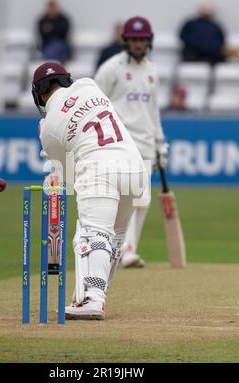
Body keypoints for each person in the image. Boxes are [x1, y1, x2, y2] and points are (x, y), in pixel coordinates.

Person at [32, 61, 149, 320]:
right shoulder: (89, 85)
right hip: (135, 168)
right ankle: (94, 293)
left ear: (39, 93)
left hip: (99, 169)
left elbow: (65, 174)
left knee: (91, 233)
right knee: (115, 238)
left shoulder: (49, 126)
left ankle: (91, 298)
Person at [95, 16, 169, 269]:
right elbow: (95, 104)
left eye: (142, 39)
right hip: (121, 143)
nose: (138, 44)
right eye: (134, 39)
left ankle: (128, 249)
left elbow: (154, 111)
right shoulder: (111, 68)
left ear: (149, 41)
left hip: (147, 143)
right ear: (125, 40)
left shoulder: (152, 71)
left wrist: (161, 144)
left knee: (143, 200)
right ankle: (121, 249)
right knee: (127, 198)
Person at [179, 0, 226, 65]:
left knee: (220, 56)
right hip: (193, 52)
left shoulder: (215, 26)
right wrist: (196, 44)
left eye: (208, 9)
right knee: (189, 54)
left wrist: (209, 47)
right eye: (204, 9)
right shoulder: (190, 23)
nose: (205, 12)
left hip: (210, 54)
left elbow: (221, 41)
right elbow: (182, 36)